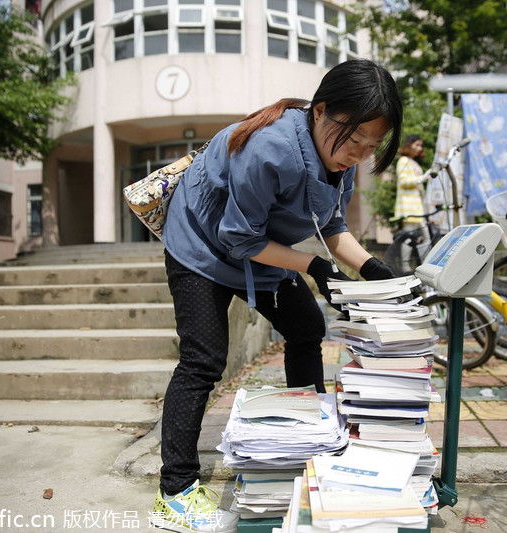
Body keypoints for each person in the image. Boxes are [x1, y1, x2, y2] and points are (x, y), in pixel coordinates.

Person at [152, 59, 403, 532]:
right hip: (202, 246)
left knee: (307, 328)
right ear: (321, 110)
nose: (357, 153)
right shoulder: (272, 148)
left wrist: (370, 266)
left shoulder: (338, 157)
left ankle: (305, 440)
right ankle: (176, 491)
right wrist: (313, 265)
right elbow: (237, 239)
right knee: (204, 359)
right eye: (352, 139)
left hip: (257, 246)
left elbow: (330, 224)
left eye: (371, 147)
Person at [393, 134, 436, 271]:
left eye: (420, 145)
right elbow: (403, 181)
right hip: (408, 207)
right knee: (409, 236)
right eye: (416, 145)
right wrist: (421, 178)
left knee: (426, 237)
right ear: (409, 145)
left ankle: (425, 266)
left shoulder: (414, 162)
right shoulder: (403, 160)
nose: (419, 148)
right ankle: (405, 267)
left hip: (418, 207)